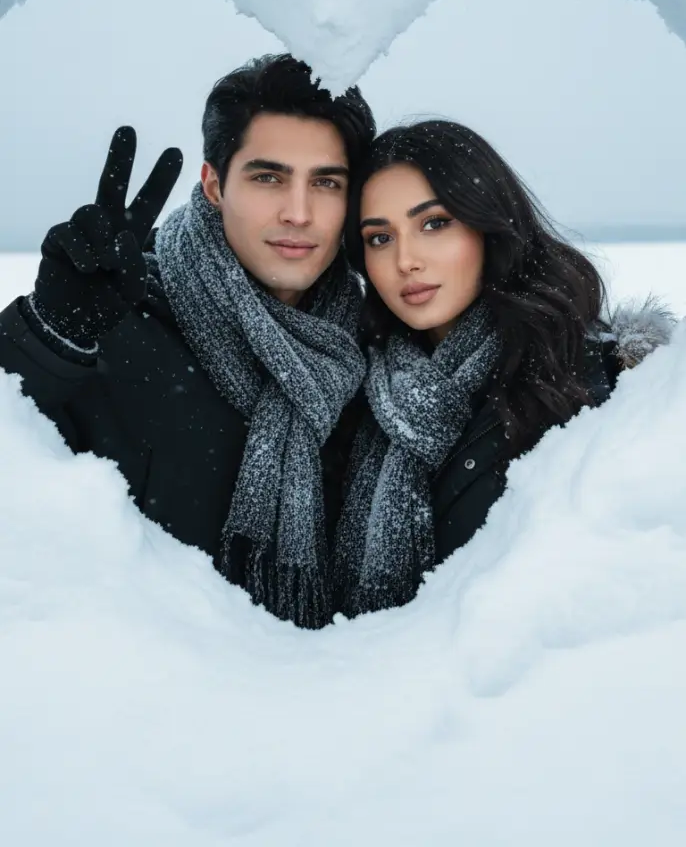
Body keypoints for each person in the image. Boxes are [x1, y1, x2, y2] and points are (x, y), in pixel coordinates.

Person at [0, 54, 376, 629]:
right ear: (214, 185)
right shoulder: (115, 316)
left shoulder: (371, 351)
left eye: (325, 183)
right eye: (267, 177)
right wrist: (48, 338)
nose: (298, 213)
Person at [332, 120, 675, 619]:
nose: (406, 260)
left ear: (488, 224)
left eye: (434, 223)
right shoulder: (352, 394)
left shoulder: (608, 383)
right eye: (380, 237)